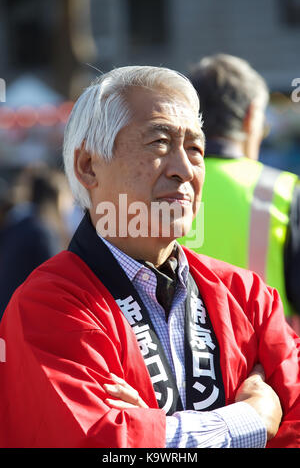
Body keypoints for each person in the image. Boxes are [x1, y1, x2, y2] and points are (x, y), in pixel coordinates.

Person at [0, 66, 299, 448]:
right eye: (159, 143)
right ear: (88, 166)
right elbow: (100, 442)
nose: (185, 169)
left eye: (195, 148)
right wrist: (249, 421)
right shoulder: (48, 306)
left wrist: (155, 430)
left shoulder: (248, 296)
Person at [179, 54, 300, 332]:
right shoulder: (284, 192)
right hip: (267, 367)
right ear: (250, 118)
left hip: (179, 366)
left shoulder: (160, 189)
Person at [0, 166, 72, 318]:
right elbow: (56, 282)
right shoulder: (43, 231)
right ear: (56, 198)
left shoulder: (18, 224)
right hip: (22, 317)